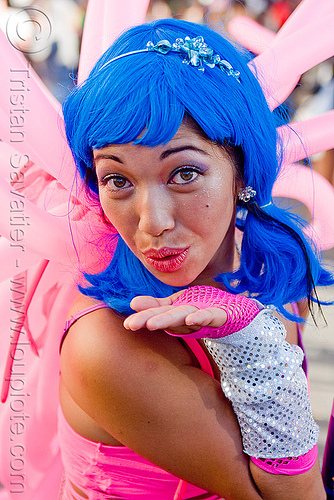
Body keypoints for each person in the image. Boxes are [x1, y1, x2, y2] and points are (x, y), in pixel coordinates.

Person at [59, 18, 332, 500]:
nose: (152, 222)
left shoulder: (270, 274)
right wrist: (251, 341)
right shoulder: (105, 348)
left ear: (242, 166)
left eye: (183, 173)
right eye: (117, 180)